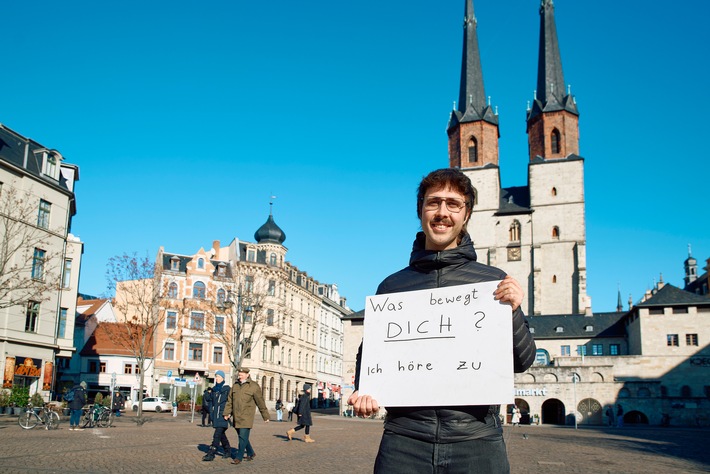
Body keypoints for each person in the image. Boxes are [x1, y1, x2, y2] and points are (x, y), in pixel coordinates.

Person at [347, 168, 536, 474]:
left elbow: (522, 361)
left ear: (466, 214)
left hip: (476, 441)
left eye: (453, 204)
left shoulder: (492, 282)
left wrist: (513, 310)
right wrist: (363, 390)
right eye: (433, 203)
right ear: (421, 210)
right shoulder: (392, 287)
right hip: (404, 442)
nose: (442, 212)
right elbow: (370, 354)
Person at [223, 367, 270, 465]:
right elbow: (229, 401)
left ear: (247, 375)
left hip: (247, 416)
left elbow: (260, 401)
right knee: (242, 436)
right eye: (239, 375)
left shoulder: (254, 386)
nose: (239, 376)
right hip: (236, 416)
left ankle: (238, 457)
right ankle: (251, 452)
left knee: (242, 437)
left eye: (241, 375)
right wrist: (227, 413)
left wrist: (265, 416)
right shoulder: (235, 386)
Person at [202, 371, 231, 461]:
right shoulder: (214, 390)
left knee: (217, 435)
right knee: (221, 435)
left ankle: (211, 453)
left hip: (223, 415)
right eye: (216, 377)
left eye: (218, 376)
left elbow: (231, 402)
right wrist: (207, 392)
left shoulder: (227, 389)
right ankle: (228, 450)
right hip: (215, 416)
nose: (217, 378)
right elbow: (208, 399)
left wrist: (229, 413)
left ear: (222, 378)